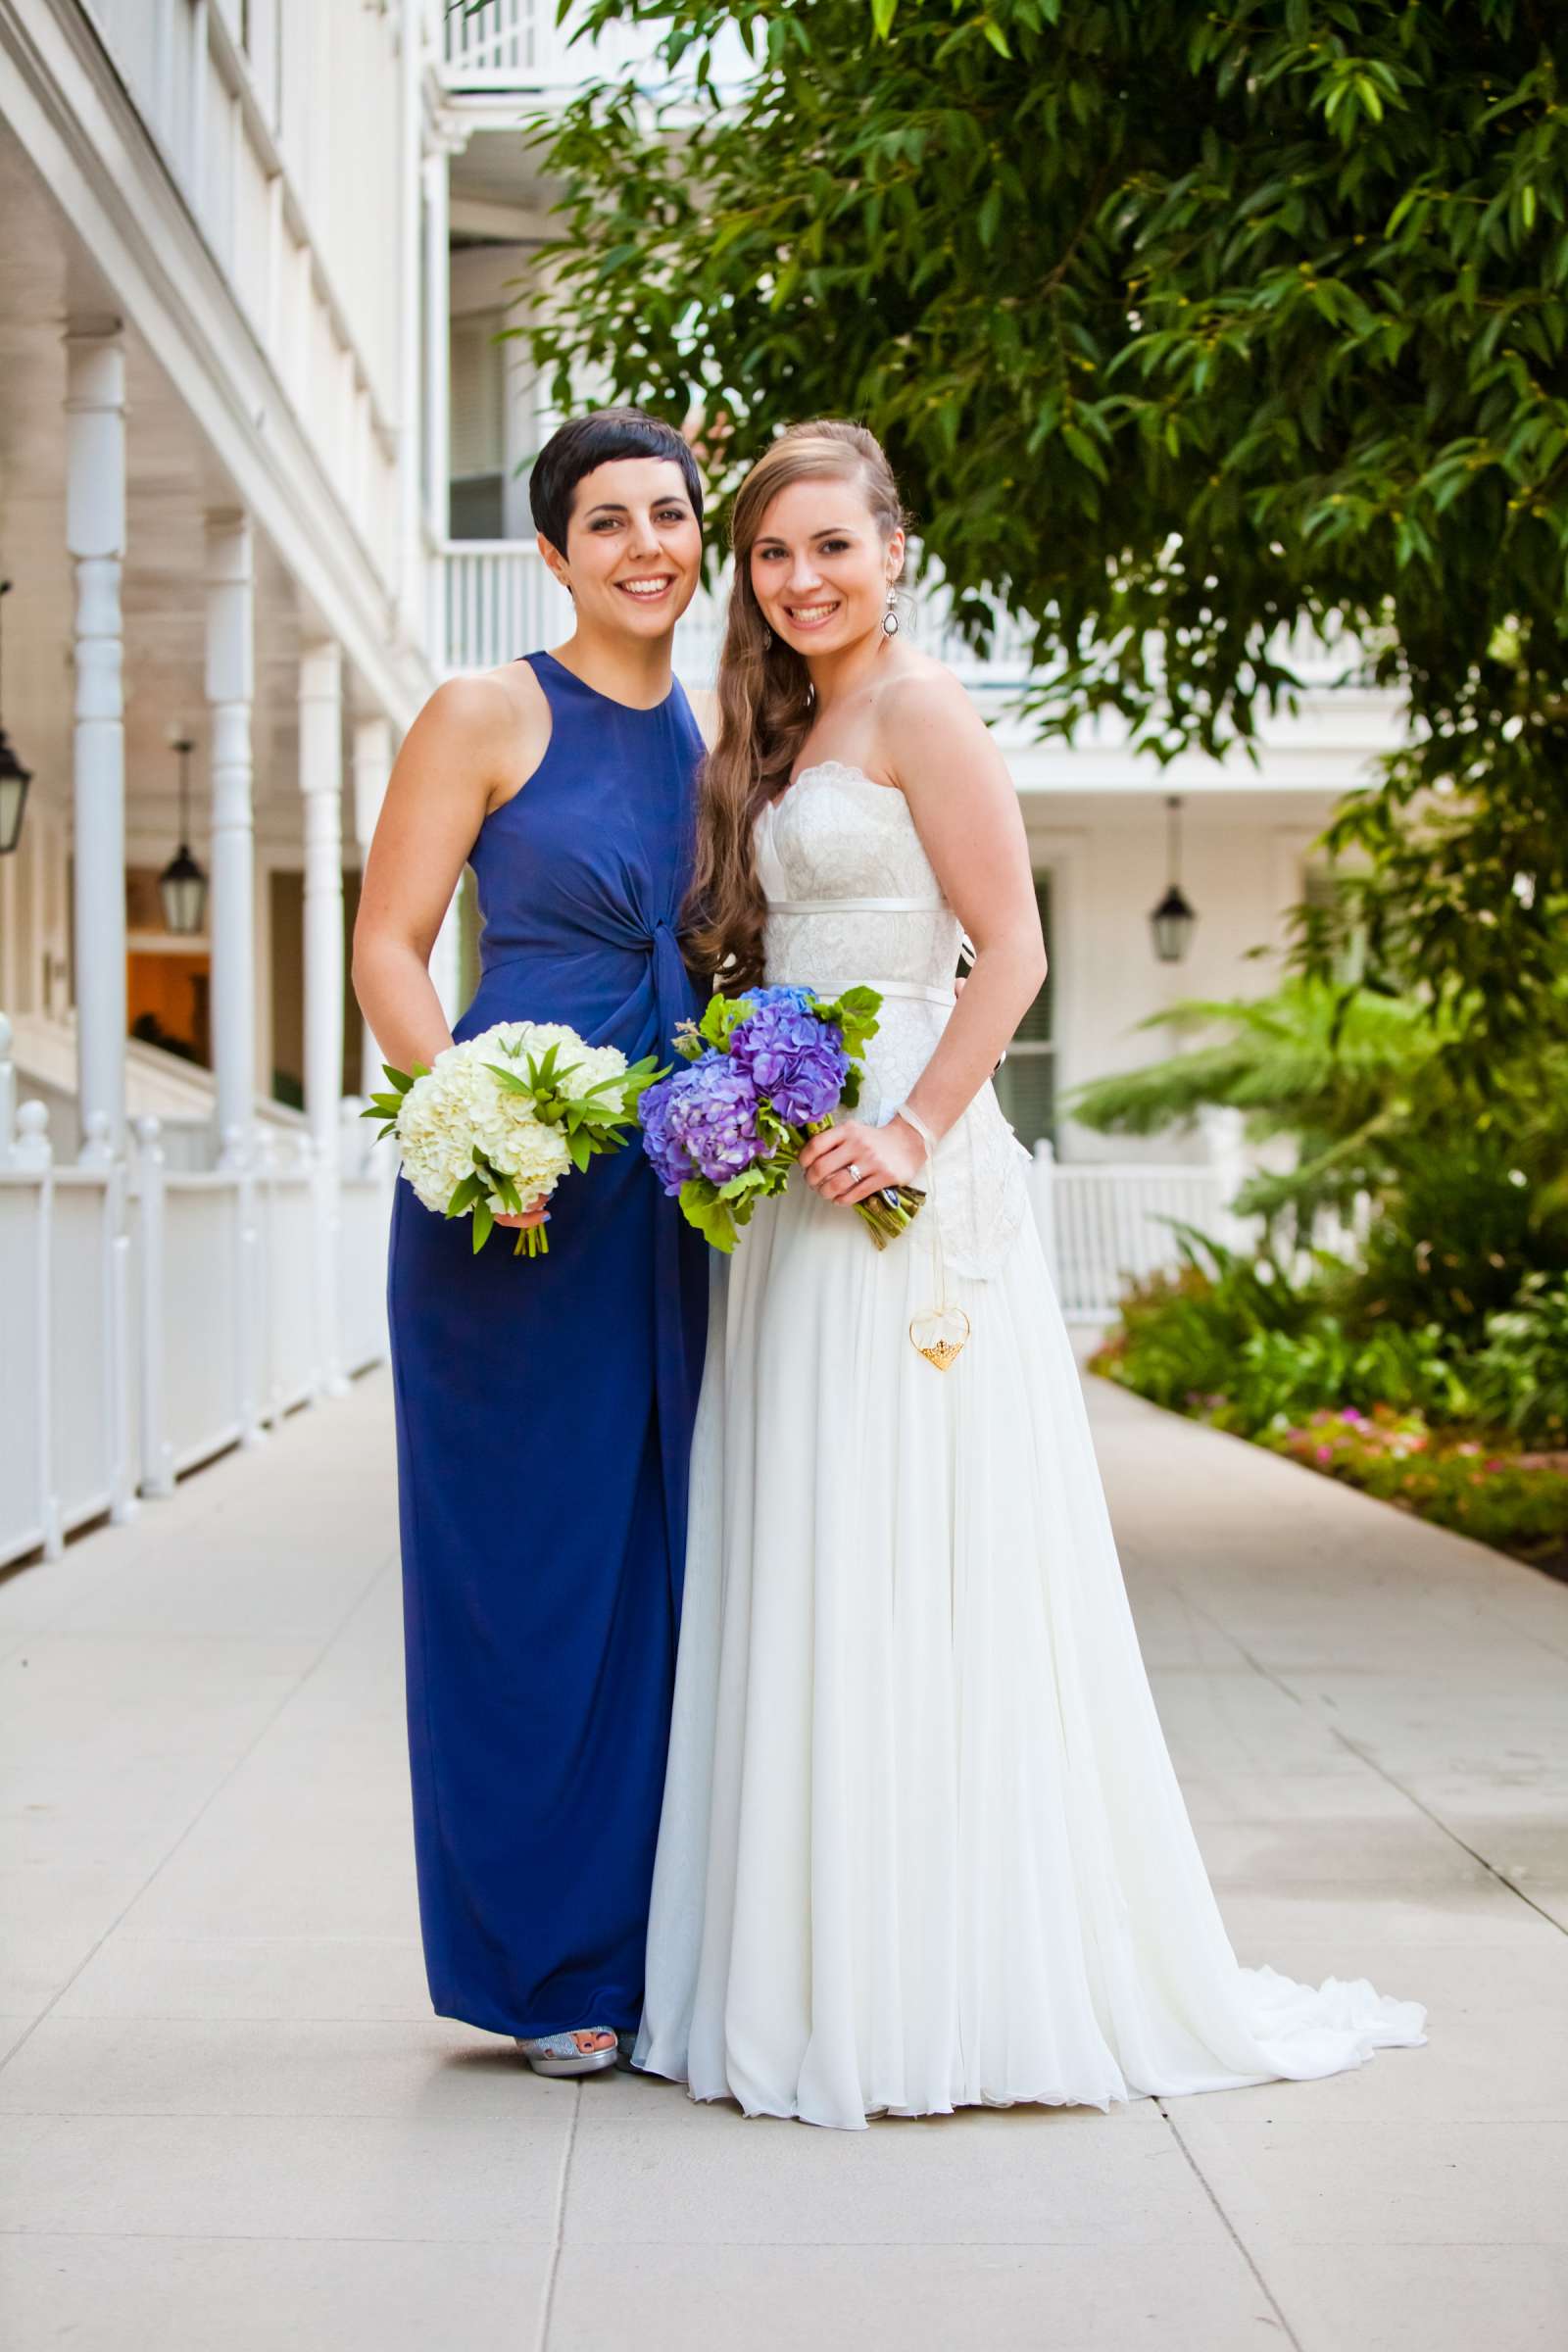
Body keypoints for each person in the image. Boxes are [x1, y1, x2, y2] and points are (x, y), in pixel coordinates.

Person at [635, 418, 1426, 2129]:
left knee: (917, 1527)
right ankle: (806, 1959)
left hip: (907, 1166)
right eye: (773, 554)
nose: (799, 578)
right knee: (807, 1528)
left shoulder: (920, 710)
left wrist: (911, 1130)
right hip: (791, 1167)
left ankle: (945, 1975)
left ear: (893, 549)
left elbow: (1017, 948)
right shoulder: (771, 725)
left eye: (830, 546)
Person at [353, 409, 710, 2078]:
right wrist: (476, 1134)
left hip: (686, 1210)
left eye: (672, 515)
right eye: (609, 520)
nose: (648, 544)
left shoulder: (733, 739)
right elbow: (389, 949)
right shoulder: (488, 709)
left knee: (672, 1576)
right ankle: (540, 1968)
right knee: (527, 1583)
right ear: (554, 552)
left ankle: (661, 1948)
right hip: (514, 1206)